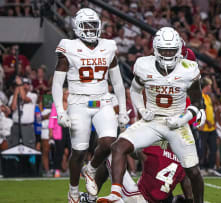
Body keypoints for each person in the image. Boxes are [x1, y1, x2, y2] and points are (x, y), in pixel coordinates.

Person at [98, 27, 205, 203]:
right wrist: (142, 109)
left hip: (177, 124)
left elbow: (197, 102)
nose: (168, 54)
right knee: (118, 146)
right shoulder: (143, 64)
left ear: (179, 49)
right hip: (153, 120)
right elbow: (134, 90)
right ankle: (115, 194)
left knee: (193, 170)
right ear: (155, 48)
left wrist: (182, 118)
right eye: (164, 50)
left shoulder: (189, 68)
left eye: (172, 50)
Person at [51, 8, 129, 203]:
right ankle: (73, 191)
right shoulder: (68, 46)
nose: (91, 28)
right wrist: (60, 110)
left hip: (102, 99)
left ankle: (92, 168)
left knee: (109, 141)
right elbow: (57, 83)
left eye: (94, 24)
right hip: (78, 101)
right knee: (78, 151)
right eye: (86, 25)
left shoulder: (108, 46)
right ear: (77, 26)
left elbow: (118, 82)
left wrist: (122, 110)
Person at [8, 77, 38, 148]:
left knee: (29, 148)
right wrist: (16, 92)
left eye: (27, 84)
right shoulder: (13, 96)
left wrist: (20, 84)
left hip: (28, 126)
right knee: (14, 148)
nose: (25, 86)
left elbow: (24, 98)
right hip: (16, 126)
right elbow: (13, 108)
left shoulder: (33, 95)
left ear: (30, 86)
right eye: (23, 84)